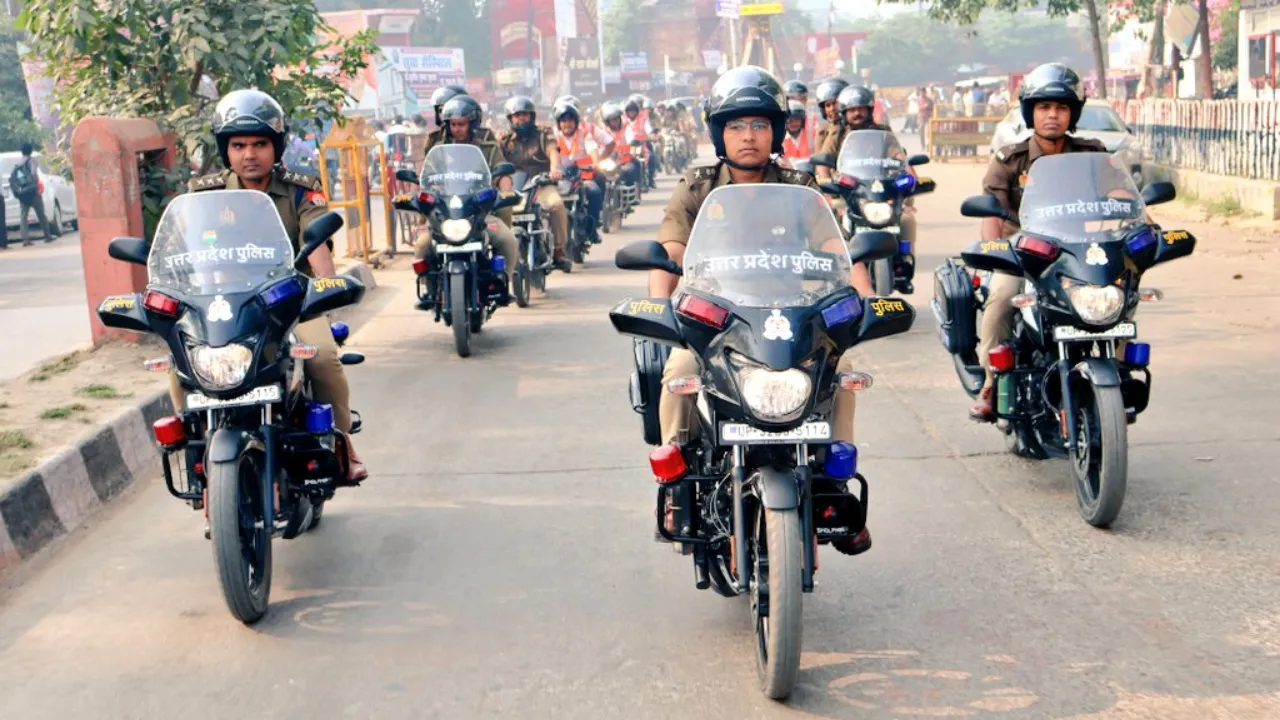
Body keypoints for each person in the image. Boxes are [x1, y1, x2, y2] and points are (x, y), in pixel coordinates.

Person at [650, 66, 875, 556]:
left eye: (757, 125)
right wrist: (662, 313)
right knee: (680, 370)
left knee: (843, 369)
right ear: (719, 133)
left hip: (793, 314)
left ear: (774, 131)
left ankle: (837, 478)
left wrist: (863, 304)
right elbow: (670, 256)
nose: (747, 137)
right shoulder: (696, 186)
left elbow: (840, 255)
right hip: (720, 322)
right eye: (735, 126)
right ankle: (677, 482)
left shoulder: (801, 188)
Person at [184, 89, 366, 484]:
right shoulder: (204, 194)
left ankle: (342, 443)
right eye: (239, 145)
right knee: (181, 364)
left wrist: (325, 289)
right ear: (226, 149)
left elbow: (316, 247)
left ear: (276, 146)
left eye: (260, 143)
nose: (250, 154)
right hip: (223, 307)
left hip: (287, 303)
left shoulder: (300, 189)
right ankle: (198, 457)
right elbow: (185, 251)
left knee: (322, 358)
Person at [969, 63, 1110, 421]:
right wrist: (995, 254)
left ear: (1072, 113)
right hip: (1025, 249)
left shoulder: (1092, 153)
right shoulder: (1009, 160)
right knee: (1001, 297)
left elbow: (1120, 191)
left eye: (1061, 108)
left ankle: (1115, 371)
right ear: (1031, 111)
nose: (1052, 115)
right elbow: (992, 214)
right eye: (1044, 107)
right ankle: (990, 382)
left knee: (1115, 292)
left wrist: (1147, 225)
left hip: (1078, 246)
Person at [413, 95, 518, 305]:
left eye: (461, 124)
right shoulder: (437, 149)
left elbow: (503, 174)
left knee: (508, 241)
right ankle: (430, 289)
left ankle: (501, 282)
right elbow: (425, 180)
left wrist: (505, 193)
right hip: (446, 215)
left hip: (481, 213)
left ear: (472, 123)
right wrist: (421, 215)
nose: (457, 129)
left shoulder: (488, 147)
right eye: (453, 124)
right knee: (422, 246)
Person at [499, 95, 571, 272]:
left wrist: (555, 169)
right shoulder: (504, 141)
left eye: (524, 114)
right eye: (517, 115)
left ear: (531, 116)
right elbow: (496, 162)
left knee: (556, 205)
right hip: (514, 187)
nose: (521, 118)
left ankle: (559, 250)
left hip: (541, 183)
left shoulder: (543, 133)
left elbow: (553, 151)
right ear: (510, 118)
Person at [553, 98, 614, 244]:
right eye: (563, 121)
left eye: (570, 121)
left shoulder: (585, 133)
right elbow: (549, 154)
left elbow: (592, 147)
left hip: (583, 177)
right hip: (561, 179)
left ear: (576, 121)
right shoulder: (553, 136)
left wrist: (596, 162)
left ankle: (591, 229)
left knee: (595, 192)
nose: (567, 124)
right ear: (558, 123)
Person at [10, 143, 57, 246]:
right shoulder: (32, 161)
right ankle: (47, 236)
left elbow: (13, 178)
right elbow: (33, 173)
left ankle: (26, 240)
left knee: (23, 216)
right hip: (33, 192)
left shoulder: (17, 164)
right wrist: (34, 184)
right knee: (41, 214)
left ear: (22, 151)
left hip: (23, 193)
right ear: (30, 151)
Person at [602, 101, 645, 190]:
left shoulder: (626, 127)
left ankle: (633, 190)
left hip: (624, 161)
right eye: (613, 120)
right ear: (607, 121)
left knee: (633, 168)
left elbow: (630, 138)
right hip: (608, 161)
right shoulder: (603, 131)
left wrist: (632, 144)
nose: (616, 121)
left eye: (617, 118)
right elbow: (598, 143)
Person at [624, 94, 658, 189]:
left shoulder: (643, 116)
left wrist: (651, 135)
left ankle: (650, 179)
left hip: (642, 144)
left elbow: (648, 127)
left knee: (651, 156)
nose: (632, 113)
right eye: (630, 111)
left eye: (634, 111)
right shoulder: (623, 119)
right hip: (628, 146)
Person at [813, 77, 849, 161]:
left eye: (835, 103)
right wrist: (835, 127)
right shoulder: (822, 130)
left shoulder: (854, 126)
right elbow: (822, 158)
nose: (832, 109)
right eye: (828, 105)